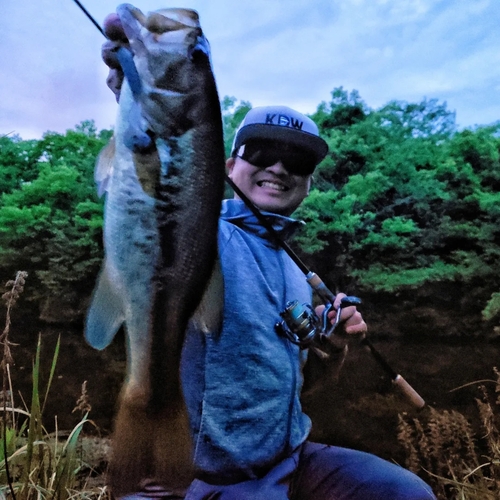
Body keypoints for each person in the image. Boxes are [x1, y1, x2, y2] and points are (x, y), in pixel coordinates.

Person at [101, 13, 436, 500]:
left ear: (309, 181)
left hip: (288, 460)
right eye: (261, 153)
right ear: (228, 163)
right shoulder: (205, 228)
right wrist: (132, 82)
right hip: (200, 476)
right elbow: (153, 185)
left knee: (404, 494)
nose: (279, 168)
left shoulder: (295, 268)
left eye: (297, 161)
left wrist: (332, 344)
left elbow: (293, 378)